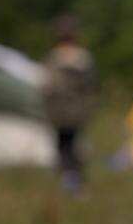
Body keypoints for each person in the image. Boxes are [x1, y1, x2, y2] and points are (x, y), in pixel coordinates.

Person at [42, 15, 99, 192]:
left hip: (59, 110)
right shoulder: (83, 58)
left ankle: (68, 177)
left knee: (63, 144)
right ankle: (73, 177)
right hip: (76, 110)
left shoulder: (53, 57)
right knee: (73, 143)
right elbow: (91, 85)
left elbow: (46, 86)